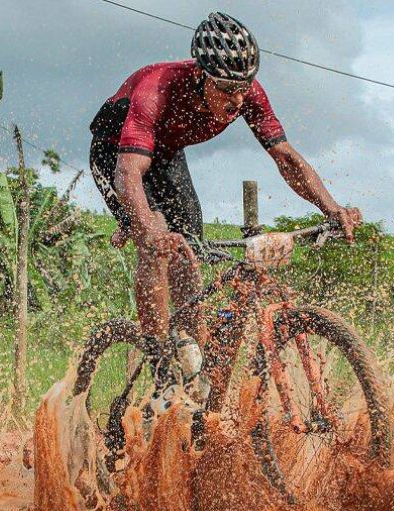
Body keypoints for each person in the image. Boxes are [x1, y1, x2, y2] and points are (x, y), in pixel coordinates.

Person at [89, 11, 361, 347]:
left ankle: (191, 355)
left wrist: (331, 208)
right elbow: (128, 172)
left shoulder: (248, 94)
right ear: (201, 75)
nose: (237, 99)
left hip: (167, 157)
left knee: (189, 253)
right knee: (156, 238)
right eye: (227, 88)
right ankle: (160, 362)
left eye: (244, 87)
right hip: (116, 157)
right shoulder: (156, 88)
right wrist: (145, 227)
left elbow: (286, 158)